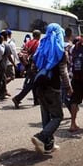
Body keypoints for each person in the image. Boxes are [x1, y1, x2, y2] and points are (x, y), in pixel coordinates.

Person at [30, 23, 71, 154]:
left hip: (39, 86)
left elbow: (33, 67)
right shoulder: (60, 51)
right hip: (53, 88)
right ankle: (41, 137)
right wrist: (69, 87)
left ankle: (48, 145)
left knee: (46, 116)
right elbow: (63, 73)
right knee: (58, 116)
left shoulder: (41, 47)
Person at [12, 30, 41, 108]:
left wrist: (24, 68)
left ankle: (36, 100)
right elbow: (36, 56)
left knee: (34, 83)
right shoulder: (38, 43)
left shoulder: (28, 42)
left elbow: (25, 55)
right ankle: (17, 98)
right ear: (39, 36)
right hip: (33, 66)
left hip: (27, 65)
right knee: (32, 83)